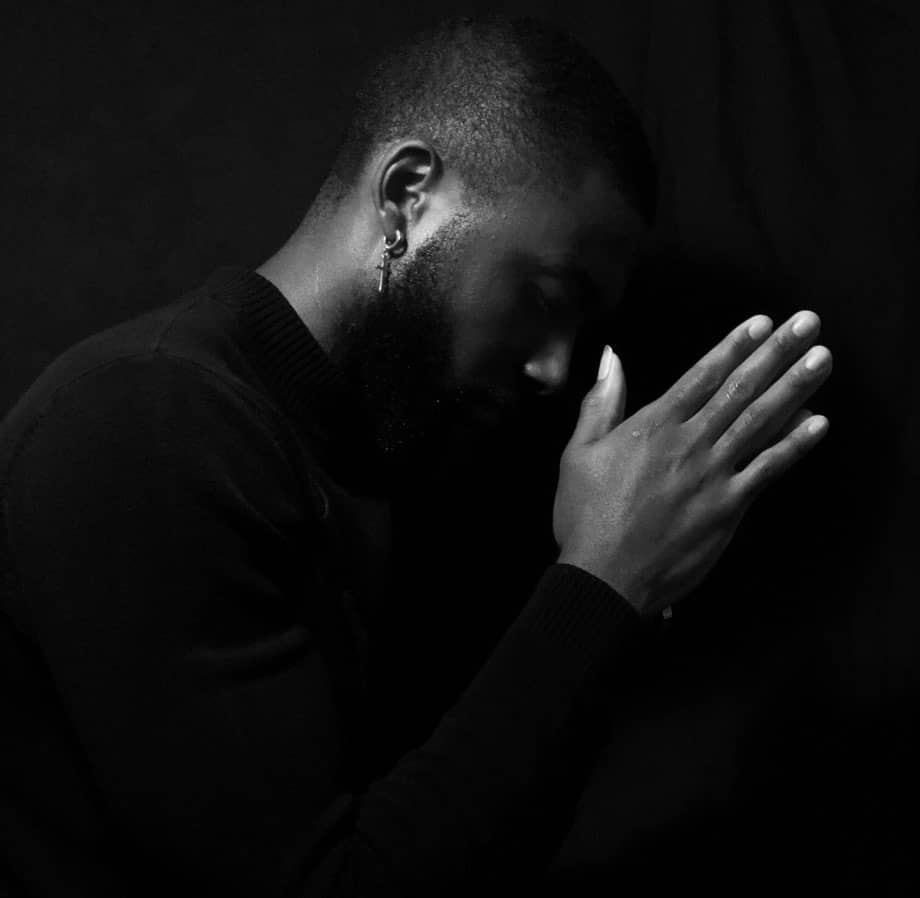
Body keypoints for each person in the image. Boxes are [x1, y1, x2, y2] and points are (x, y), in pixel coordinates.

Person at [0, 16, 832, 897]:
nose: (555, 370)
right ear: (407, 195)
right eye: (548, 295)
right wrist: (604, 581)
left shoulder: (373, 458)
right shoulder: (154, 422)